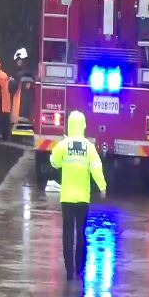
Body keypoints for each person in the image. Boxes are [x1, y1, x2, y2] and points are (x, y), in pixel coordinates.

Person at [50, 110, 107, 281]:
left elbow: (54, 161)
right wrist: (102, 186)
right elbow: (96, 167)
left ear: (69, 125)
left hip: (67, 198)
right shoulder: (88, 147)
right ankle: (80, 268)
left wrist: (62, 161)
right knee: (81, 232)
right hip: (82, 198)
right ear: (83, 126)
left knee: (67, 234)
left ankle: (69, 270)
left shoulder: (64, 144)